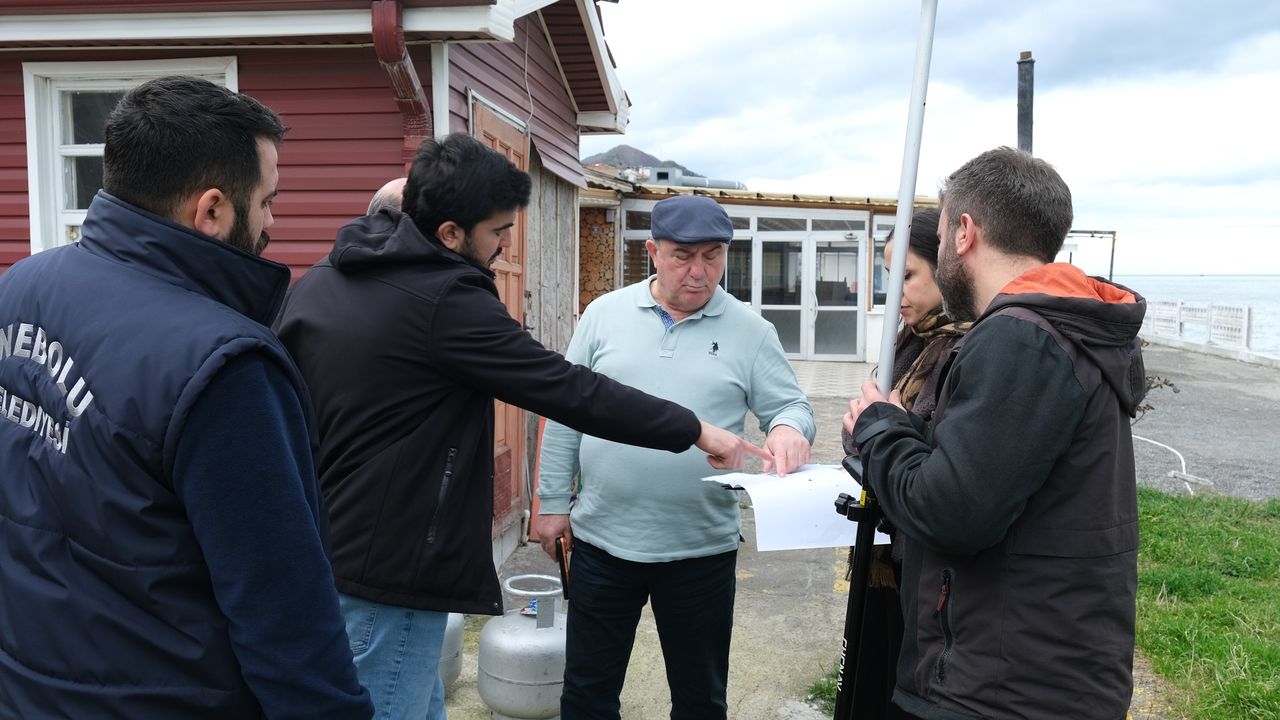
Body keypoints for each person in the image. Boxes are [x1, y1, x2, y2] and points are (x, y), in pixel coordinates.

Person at [273, 134, 769, 720]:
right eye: (498, 231)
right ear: (450, 233)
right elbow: (568, 390)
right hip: (393, 561)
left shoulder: (326, 278)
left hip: (329, 535)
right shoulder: (445, 300)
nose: (505, 245)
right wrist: (694, 428)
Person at [0, 76, 372, 718]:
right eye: (267, 201)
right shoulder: (225, 366)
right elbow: (286, 622)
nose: (272, 221)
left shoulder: (22, 286)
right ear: (212, 211)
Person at [844, 147, 1146, 720]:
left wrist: (880, 427)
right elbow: (993, 475)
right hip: (1041, 671)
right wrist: (907, 430)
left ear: (964, 233)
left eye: (937, 241)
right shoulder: (1066, 326)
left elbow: (952, 512)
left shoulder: (1021, 338)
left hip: (1000, 686)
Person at [536, 194, 817, 720]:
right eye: (683, 256)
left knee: (699, 700)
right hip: (602, 541)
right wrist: (551, 503)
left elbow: (791, 407)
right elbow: (564, 412)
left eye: (713, 256)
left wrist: (787, 429)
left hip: (700, 551)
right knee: (587, 694)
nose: (699, 271)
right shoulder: (603, 315)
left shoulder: (751, 331)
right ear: (653, 252)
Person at [840, 206, 969, 720]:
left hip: (925, 571)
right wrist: (872, 426)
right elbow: (859, 431)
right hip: (885, 556)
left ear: (946, 267)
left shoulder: (964, 347)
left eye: (908, 276)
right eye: (889, 276)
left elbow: (943, 461)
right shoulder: (911, 341)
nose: (896, 294)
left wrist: (884, 428)